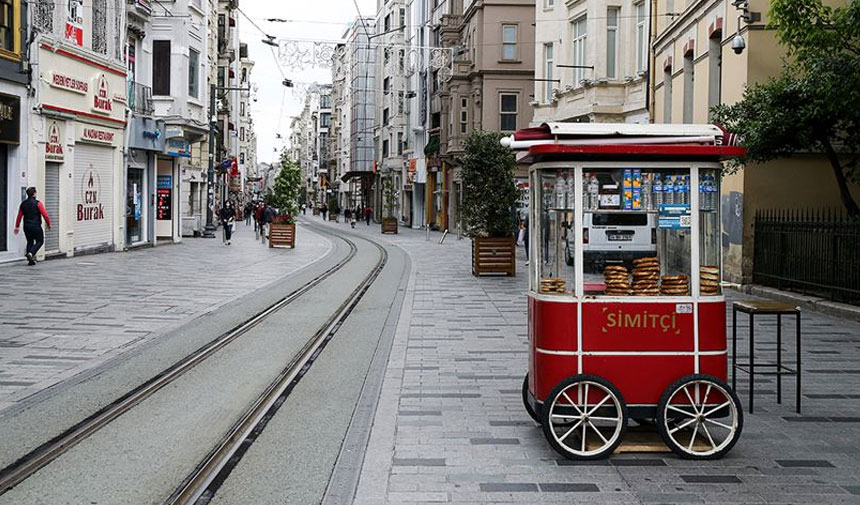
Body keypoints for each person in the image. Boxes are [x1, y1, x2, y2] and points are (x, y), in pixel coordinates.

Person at [14, 187, 52, 266]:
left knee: (30, 241)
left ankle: (30, 260)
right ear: (34, 194)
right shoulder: (38, 203)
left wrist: (17, 226)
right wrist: (48, 224)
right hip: (36, 225)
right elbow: (45, 215)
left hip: (26, 226)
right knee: (40, 241)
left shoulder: (23, 204)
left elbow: (19, 216)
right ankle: (31, 253)